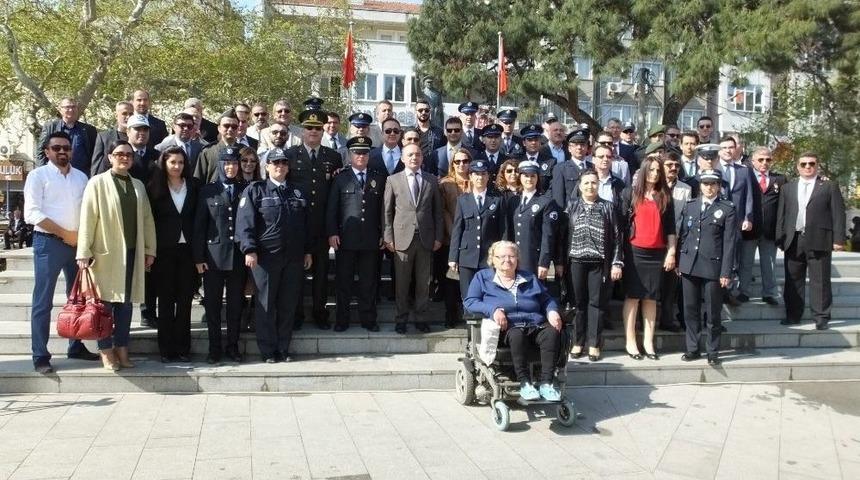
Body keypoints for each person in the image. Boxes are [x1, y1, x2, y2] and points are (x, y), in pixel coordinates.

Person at [77, 139, 157, 371]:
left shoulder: (138, 185)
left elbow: (147, 219)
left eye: (129, 155)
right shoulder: (97, 183)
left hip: (132, 253)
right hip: (105, 254)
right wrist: (84, 251)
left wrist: (150, 249)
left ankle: (122, 348)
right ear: (110, 157)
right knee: (104, 305)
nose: (124, 158)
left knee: (125, 305)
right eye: (119, 154)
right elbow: (88, 218)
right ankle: (106, 350)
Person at [24, 132, 100, 374]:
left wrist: (85, 241)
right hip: (48, 243)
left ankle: (75, 345)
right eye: (56, 147)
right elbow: (32, 213)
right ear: (47, 151)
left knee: (77, 299)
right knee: (43, 301)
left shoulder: (81, 177)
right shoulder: (38, 176)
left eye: (66, 147)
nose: (62, 151)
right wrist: (64, 233)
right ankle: (40, 355)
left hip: (78, 245)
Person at [236, 148, 312, 362]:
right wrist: (249, 249)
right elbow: (245, 223)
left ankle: (283, 348)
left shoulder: (297, 192)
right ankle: (268, 350)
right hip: (265, 258)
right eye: (275, 162)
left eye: (283, 163)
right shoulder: (255, 190)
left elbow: (305, 226)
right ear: (266, 166)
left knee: (288, 305)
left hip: (294, 257)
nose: (280, 166)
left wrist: (307, 251)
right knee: (266, 305)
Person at [463, 241, 564, 401]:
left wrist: (552, 311)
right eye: (501, 256)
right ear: (493, 260)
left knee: (552, 332)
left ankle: (546, 383)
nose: (507, 260)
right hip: (507, 328)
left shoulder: (529, 277)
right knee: (517, 335)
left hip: (533, 324)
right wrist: (493, 310)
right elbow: (470, 302)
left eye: (511, 256)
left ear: (517, 259)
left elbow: (546, 299)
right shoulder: (482, 277)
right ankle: (524, 383)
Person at [776, 152, 846, 329]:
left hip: (820, 239)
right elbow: (781, 215)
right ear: (798, 167)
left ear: (817, 165)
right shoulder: (788, 188)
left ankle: (821, 317)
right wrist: (780, 238)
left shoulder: (829, 186)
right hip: (794, 239)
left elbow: (838, 214)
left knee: (820, 280)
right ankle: (793, 315)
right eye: (804, 164)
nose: (808, 167)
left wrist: (839, 239)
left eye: (811, 163)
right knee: (793, 281)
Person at [287, 109, 342, 330]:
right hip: (297, 225)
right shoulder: (290, 155)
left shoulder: (333, 157)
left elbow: (335, 194)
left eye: (318, 129)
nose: (314, 132)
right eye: (309, 128)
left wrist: (332, 228)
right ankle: (297, 314)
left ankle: (320, 312)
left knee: (321, 274)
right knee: (296, 274)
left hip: (321, 225)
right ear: (302, 131)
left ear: (323, 131)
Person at [194, 147, 248, 364]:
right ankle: (214, 348)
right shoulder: (208, 191)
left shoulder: (246, 189)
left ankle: (233, 347)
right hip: (213, 258)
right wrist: (198, 258)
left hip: (237, 257)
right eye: (227, 163)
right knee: (213, 307)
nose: (231, 167)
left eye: (234, 163)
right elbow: (199, 226)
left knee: (235, 306)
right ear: (220, 165)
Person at [620, 154, 677, 360]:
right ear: (644, 171)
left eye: (657, 170)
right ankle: (631, 341)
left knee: (651, 298)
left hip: (657, 252)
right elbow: (621, 226)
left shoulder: (665, 195)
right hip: (634, 252)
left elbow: (670, 227)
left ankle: (648, 342)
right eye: (651, 170)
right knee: (634, 296)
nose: (654, 174)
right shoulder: (630, 193)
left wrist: (671, 251)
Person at [677, 170, 737, 365]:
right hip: (690, 264)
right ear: (700, 186)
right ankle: (693, 348)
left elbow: (729, 243)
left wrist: (726, 271)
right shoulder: (691, 206)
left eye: (713, 184)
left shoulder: (727, 208)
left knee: (712, 312)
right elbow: (684, 235)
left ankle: (713, 351)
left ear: (719, 186)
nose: (709, 188)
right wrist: (680, 261)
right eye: (705, 184)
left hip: (713, 266)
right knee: (690, 309)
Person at [326, 136, 386, 332]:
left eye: (365, 152)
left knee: (368, 282)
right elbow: (332, 208)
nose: (361, 156)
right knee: (344, 281)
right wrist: (332, 232)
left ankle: (368, 319)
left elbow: (383, 210)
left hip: (370, 239)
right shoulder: (341, 178)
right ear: (350, 155)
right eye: (357, 152)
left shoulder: (378, 177)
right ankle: (342, 320)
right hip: (346, 239)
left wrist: (383, 233)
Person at [146, 147, 199, 363]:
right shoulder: (154, 187)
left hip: (188, 251)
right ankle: (166, 349)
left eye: (180, 162)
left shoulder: (194, 186)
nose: (177, 166)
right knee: (166, 301)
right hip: (164, 251)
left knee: (185, 301)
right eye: (172, 162)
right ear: (164, 164)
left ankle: (183, 348)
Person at [383, 143, 443, 334]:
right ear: (402, 158)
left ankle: (421, 318)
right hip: (401, 238)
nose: (414, 158)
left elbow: (438, 212)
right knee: (402, 282)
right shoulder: (393, 180)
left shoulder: (431, 180)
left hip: (426, 238)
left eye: (417, 154)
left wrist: (438, 237)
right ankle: (401, 319)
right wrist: (388, 237)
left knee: (423, 282)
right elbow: (387, 211)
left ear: (422, 158)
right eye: (410, 155)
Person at [565, 169, 623, 361]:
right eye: (586, 183)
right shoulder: (571, 205)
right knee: (578, 304)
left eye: (594, 182)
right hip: (576, 262)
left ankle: (594, 343)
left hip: (598, 263)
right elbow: (563, 236)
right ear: (580, 186)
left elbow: (616, 237)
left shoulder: (608, 207)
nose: (590, 186)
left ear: (599, 185)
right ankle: (577, 342)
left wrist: (616, 263)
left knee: (596, 304)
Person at [449, 160, 507, 299]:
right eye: (476, 174)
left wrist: (503, 255)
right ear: (470, 177)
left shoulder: (497, 199)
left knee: (490, 294)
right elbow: (457, 229)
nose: (480, 178)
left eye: (483, 174)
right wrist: (453, 257)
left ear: (488, 177)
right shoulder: (463, 200)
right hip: (467, 256)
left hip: (490, 257)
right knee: (468, 294)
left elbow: (503, 229)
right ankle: (469, 320)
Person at [739, 147, 786, 306]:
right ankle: (743, 291)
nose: (765, 163)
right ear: (753, 161)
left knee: (769, 264)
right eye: (761, 160)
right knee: (745, 262)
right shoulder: (746, 176)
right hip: (749, 228)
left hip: (769, 230)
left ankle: (769, 293)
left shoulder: (779, 179)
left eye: (768, 160)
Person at [660, 151, 693, 332]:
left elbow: (686, 216)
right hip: (653, 242)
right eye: (669, 165)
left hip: (677, 240)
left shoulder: (685, 189)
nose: (673, 169)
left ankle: (667, 319)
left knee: (670, 283)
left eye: (677, 166)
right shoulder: (654, 186)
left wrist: (676, 235)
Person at [438, 148, 472, 326]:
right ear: (452, 164)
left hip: (473, 241)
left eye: (465, 161)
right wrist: (455, 234)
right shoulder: (445, 183)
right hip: (450, 239)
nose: (461, 165)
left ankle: (470, 315)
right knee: (451, 280)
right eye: (457, 162)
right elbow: (442, 211)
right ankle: (450, 316)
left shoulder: (477, 181)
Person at [507, 161, 557, 278]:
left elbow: (548, 235)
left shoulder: (545, 202)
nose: (529, 179)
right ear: (520, 177)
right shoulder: (513, 201)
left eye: (532, 176)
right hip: (513, 259)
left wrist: (544, 262)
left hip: (533, 259)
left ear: (537, 178)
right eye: (525, 175)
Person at [36, 97, 98, 174]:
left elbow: (96, 155)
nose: (71, 110)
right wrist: (42, 173)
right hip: (55, 176)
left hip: (82, 176)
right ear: (60, 109)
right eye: (67, 107)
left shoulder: (89, 130)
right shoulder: (50, 127)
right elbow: (41, 152)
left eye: (73, 107)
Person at [91, 101, 133, 177]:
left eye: (131, 114)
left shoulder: (138, 137)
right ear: (116, 115)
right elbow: (96, 165)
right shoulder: (103, 137)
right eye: (124, 113)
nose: (128, 117)